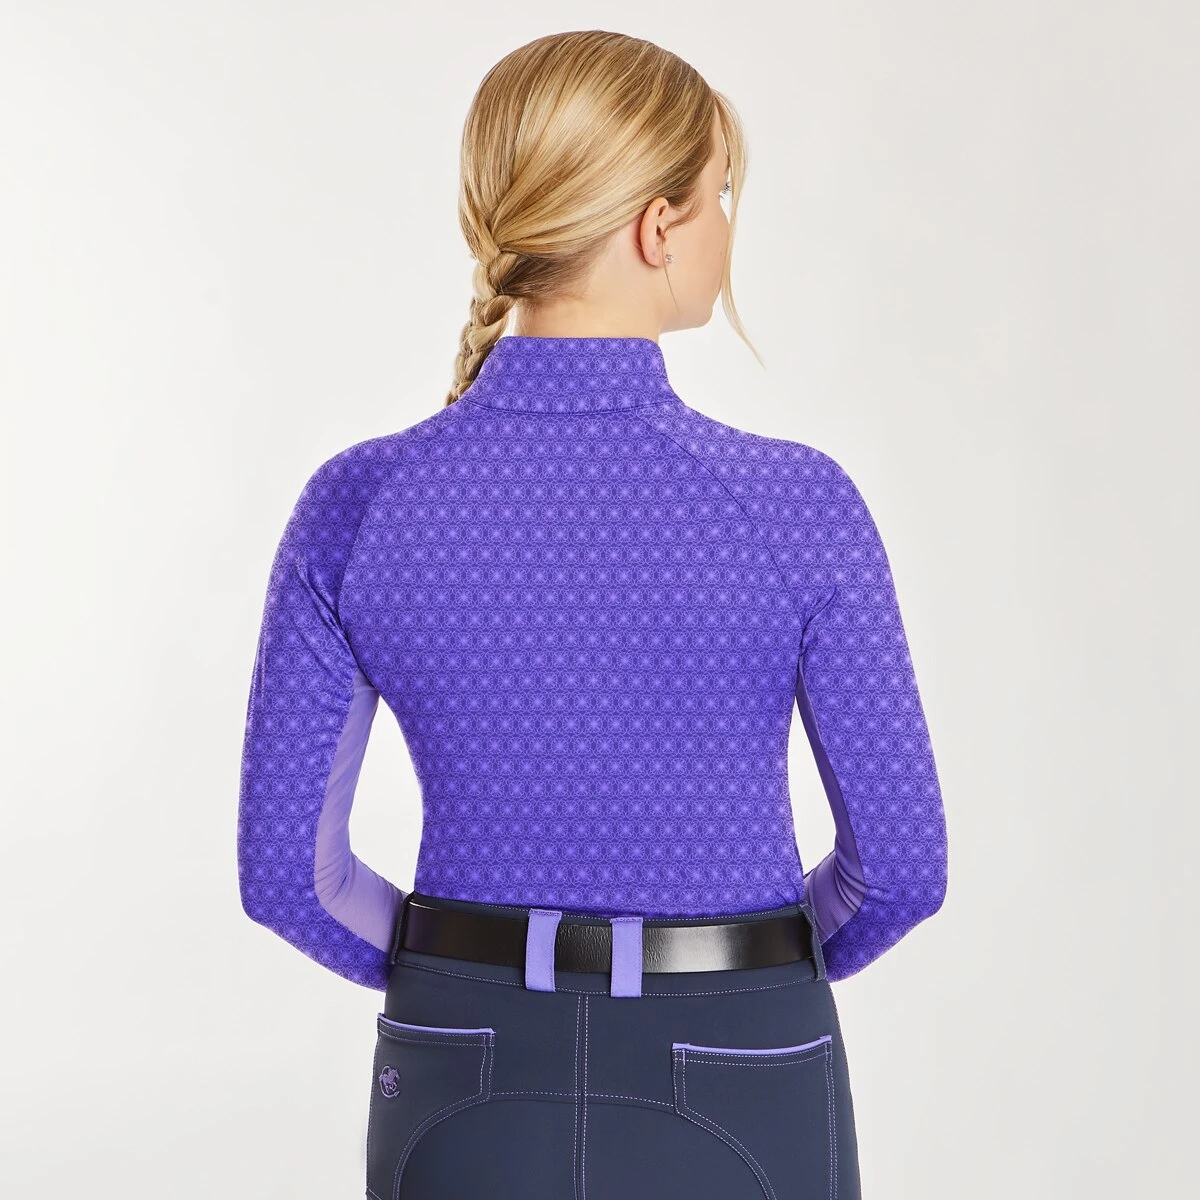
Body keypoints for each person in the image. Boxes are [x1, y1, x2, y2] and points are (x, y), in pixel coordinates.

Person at [236, 28, 947, 1200]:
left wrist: (460, 969)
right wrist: (752, 962)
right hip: (739, 1052)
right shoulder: (794, 504)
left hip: (461, 1062)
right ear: (657, 227)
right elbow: (903, 872)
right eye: (723, 194)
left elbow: (288, 879)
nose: (727, 226)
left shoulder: (358, 502)